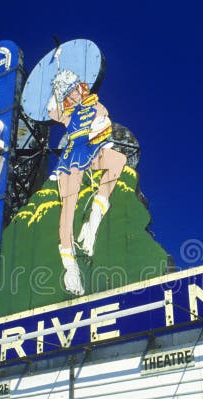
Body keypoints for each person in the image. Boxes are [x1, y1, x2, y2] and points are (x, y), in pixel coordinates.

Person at [46, 69, 127, 295]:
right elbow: (51, 110)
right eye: (68, 94)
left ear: (80, 88)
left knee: (118, 160)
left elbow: (104, 123)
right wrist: (56, 87)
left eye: (74, 90)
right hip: (72, 157)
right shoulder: (67, 115)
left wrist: (99, 121)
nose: (73, 96)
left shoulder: (95, 106)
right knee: (68, 208)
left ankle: (94, 219)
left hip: (92, 151)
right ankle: (70, 266)